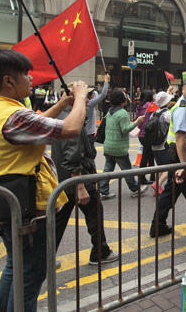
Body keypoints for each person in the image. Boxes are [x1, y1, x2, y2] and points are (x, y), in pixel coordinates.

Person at [0, 49, 87, 311]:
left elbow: (35, 124)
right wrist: (81, 97)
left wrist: (62, 105)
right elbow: (71, 129)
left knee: (15, 268)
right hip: (29, 210)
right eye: (25, 75)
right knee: (30, 276)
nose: (30, 79)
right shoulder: (12, 115)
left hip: (7, 202)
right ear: (8, 81)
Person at [52, 104, 118, 266]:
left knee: (58, 221)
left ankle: (44, 256)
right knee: (95, 214)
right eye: (86, 98)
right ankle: (100, 252)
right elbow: (72, 154)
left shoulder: (61, 116)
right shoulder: (72, 120)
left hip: (64, 180)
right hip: (78, 179)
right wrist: (80, 186)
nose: (88, 103)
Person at [149, 75, 186, 237]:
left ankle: (157, 225)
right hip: (182, 156)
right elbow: (180, 139)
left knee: (170, 192)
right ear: (183, 88)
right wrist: (184, 165)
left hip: (181, 157)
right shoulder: (182, 109)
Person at [99, 89, 147, 199]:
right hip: (119, 148)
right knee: (127, 170)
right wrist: (137, 122)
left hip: (108, 146)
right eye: (125, 96)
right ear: (122, 99)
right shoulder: (122, 113)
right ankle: (135, 188)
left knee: (108, 169)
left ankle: (103, 190)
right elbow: (125, 130)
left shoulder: (110, 111)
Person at [148, 91, 174, 195]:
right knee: (168, 168)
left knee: (160, 168)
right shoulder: (167, 114)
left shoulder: (153, 113)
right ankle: (157, 184)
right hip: (164, 145)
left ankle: (157, 187)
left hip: (154, 146)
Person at [136, 89, 157, 184]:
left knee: (150, 154)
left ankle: (152, 175)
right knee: (146, 156)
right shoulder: (150, 105)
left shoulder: (139, 106)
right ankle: (142, 177)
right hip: (148, 134)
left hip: (141, 134)